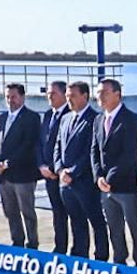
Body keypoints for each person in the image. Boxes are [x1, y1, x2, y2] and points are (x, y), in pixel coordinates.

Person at [91, 77, 137, 268]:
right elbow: (94, 150)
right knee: (114, 228)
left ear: (118, 94)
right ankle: (119, 262)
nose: (100, 97)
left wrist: (110, 178)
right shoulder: (99, 119)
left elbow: (130, 154)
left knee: (135, 226)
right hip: (105, 187)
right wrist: (98, 176)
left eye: (105, 93)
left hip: (126, 185)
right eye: (98, 93)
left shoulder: (130, 120)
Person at [53, 81, 106, 259]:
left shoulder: (94, 119)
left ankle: (101, 257)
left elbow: (91, 151)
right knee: (76, 221)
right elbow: (58, 146)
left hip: (84, 181)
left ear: (85, 96)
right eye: (67, 96)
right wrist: (60, 169)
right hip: (65, 182)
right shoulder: (66, 118)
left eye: (73, 96)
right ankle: (79, 255)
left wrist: (73, 172)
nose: (69, 100)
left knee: (96, 221)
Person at [0, 82, 42, 249]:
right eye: (7, 97)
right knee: (10, 211)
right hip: (3, 175)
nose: (10, 100)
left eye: (13, 97)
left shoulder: (31, 118)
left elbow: (28, 145)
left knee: (27, 211)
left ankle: (32, 243)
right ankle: (17, 241)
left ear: (22, 97)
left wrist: (8, 163)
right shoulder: (1, 118)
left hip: (23, 174)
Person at [37, 81, 71, 255]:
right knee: (57, 214)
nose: (49, 97)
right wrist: (41, 165)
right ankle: (60, 247)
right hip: (47, 173)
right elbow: (40, 142)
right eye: (48, 93)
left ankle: (78, 251)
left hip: (64, 174)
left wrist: (56, 169)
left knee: (74, 215)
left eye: (54, 93)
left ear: (65, 95)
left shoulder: (70, 114)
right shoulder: (48, 114)